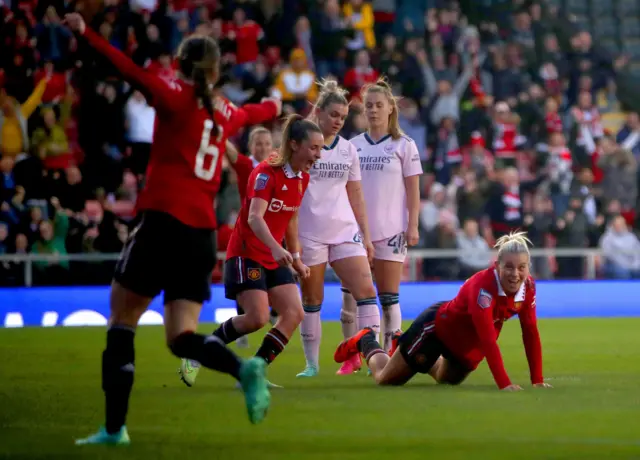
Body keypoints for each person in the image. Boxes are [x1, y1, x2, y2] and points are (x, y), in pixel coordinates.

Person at [65, 13, 282, 446]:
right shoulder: (226, 112)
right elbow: (259, 110)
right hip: (201, 236)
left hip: (163, 220)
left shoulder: (174, 94)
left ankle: (114, 429)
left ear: (182, 65)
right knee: (181, 337)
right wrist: (275, 104)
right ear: (216, 71)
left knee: (122, 321)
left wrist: (84, 32)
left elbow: (127, 69)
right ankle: (244, 369)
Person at [180, 118, 320, 386]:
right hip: (247, 253)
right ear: (294, 145)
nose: (318, 155)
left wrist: (297, 258)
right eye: (313, 148)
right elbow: (256, 218)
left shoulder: (303, 178)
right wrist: (276, 247)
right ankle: (196, 354)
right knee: (258, 318)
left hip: (274, 254)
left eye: (319, 149)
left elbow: (291, 219)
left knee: (294, 313)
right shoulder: (265, 173)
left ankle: (254, 371)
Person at [334, 232, 553, 391]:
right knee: (385, 379)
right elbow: (488, 338)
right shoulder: (483, 288)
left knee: (446, 380)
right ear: (497, 265)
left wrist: (537, 380)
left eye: (521, 267)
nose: (515, 274)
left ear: (528, 268)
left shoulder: (529, 287)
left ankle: (403, 343)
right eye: (509, 267)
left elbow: (530, 332)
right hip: (436, 330)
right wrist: (504, 384)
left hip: (467, 344)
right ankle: (366, 340)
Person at [295, 80, 379, 378]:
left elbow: (356, 195)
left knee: (367, 291)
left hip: (344, 230)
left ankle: (374, 356)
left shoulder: (348, 150)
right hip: (309, 232)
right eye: (333, 115)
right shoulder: (301, 146)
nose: (338, 122)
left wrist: (366, 237)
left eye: (342, 117)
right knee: (312, 299)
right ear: (318, 112)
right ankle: (312, 365)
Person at [346, 79, 422, 363]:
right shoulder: (352, 146)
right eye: (369, 106)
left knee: (389, 299)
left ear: (391, 108)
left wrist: (412, 225)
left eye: (379, 105)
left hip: (392, 231)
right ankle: (364, 355)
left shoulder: (404, 145)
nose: (374, 110)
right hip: (355, 233)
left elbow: (414, 190)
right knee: (358, 300)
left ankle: (393, 355)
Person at [224, 129, 279, 349]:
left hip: (274, 230)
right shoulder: (246, 165)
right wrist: (218, 130)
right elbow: (229, 151)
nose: (263, 147)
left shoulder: (278, 166)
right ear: (250, 146)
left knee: (274, 272)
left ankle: (274, 311)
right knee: (246, 280)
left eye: (267, 143)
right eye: (259, 143)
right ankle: (243, 323)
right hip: (249, 230)